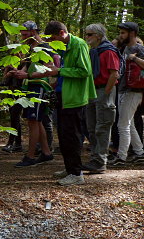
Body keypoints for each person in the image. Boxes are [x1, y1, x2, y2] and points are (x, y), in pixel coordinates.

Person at [45, 21, 95, 186]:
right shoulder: (63, 46)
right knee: (64, 135)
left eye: (53, 38)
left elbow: (84, 71)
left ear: (62, 33)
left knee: (73, 136)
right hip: (63, 96)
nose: (52, 42)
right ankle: (69, 168)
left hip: (75, 98)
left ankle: (76, 173)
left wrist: (59, 71)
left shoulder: (79, 45)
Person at [11, 22, 56, 167]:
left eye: (25, 34)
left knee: (34, 121)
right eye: (21, 34)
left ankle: (30, 156)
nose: (23, 37)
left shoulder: (44, 47)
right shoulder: (31, 48)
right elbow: (27, 66)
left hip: (40, 86)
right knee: (36, 121)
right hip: (30, 86)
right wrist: (18, 72)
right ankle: (46, 152)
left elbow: (49, 69)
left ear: (34, 32)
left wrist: (27, 75)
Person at [77, 24, 119, 173]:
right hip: (92, 90)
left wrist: (106, 94)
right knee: (91, 127)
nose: (87, 37)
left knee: (102, 127)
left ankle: (100, 161)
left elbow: (114, 74)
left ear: (99, 36)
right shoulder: (93, 52)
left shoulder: (108, 51)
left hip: (103, 91)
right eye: (86, 34)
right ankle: (95, 159)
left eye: (90, 34)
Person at [112, 22, 144, 166]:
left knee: (122, 124)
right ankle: (140, 152)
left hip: (134, 91)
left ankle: (121, 156)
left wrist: (134, 58)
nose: (120, 36)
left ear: (132, 33)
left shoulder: (139, 48)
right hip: (123, 89)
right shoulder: (125, 48)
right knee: (128, 123)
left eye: (123, 33)